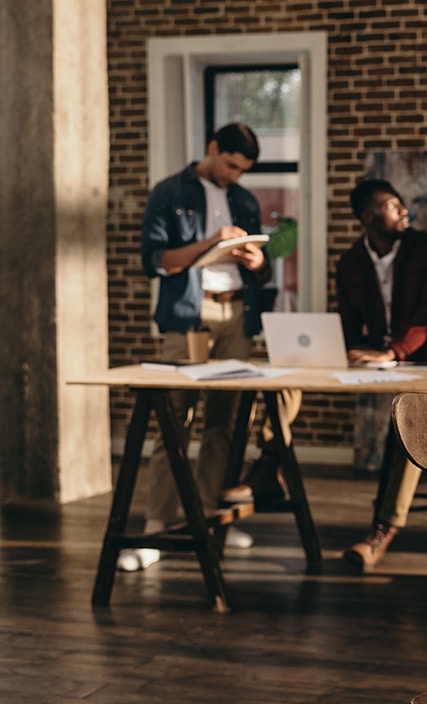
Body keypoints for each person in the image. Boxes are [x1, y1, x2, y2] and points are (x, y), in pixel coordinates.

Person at [121, 123, 292, 572]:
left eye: (243, 170)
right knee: (173, 420)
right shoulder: (169, 192)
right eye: (231, 165)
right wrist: (213, 241)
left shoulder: (244, 200)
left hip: (237, 315)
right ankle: (158, 527)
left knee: (225, 425)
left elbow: (261, 273)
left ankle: (210, 521)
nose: (236, 176)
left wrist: (258, 263)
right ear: (213, 149)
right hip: (190, 317)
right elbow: (155, 262)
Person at [338, 179, 427, 571]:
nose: (403, 210)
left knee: (410, 420)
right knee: (282, 388)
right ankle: (269, 470)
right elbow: (348, 322)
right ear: (368, 216)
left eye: (402, 204)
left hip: (423, 361)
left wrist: (393, 351)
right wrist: (348, 352)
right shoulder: (351, 261)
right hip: (376, 362)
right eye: (392, 205)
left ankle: (382, 530)